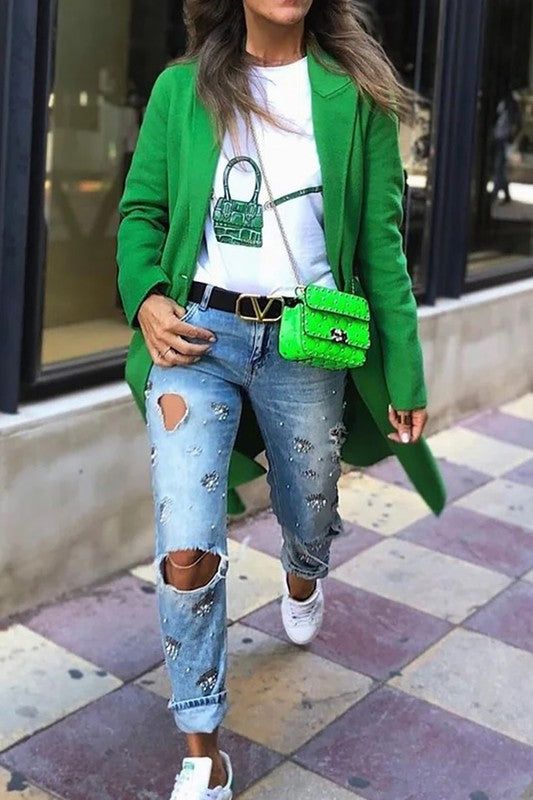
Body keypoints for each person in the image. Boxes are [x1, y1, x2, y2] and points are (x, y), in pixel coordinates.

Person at [116, 1, 446, 797]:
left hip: (307, 341)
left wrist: (405, 372)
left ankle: (303, 571)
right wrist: (147, 296)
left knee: (309, 510)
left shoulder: (354, 97)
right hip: (197, 341)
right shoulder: (182, 90)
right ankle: (203, 751)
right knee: (186, 546)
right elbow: (141, 213)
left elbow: (381, 245)